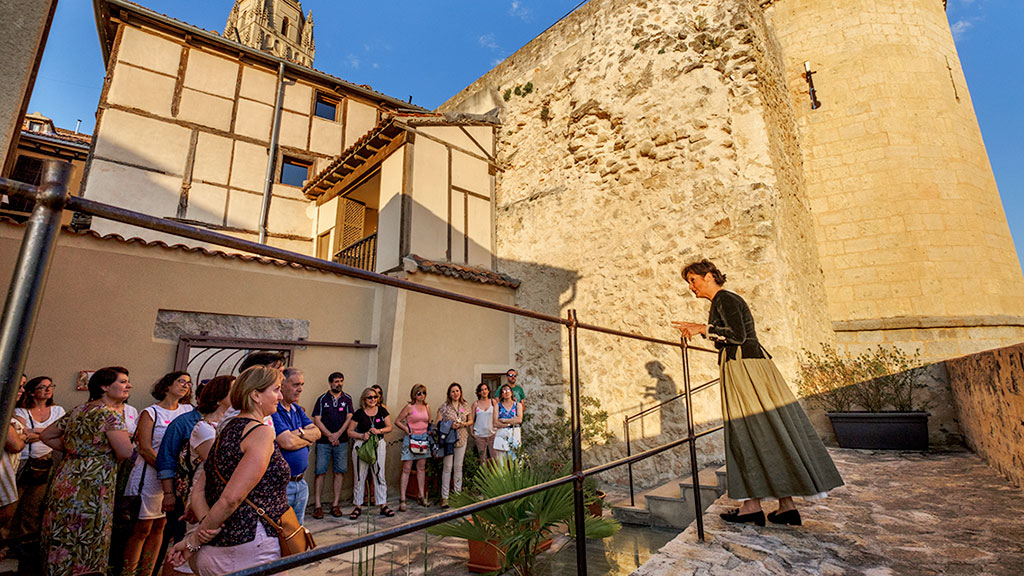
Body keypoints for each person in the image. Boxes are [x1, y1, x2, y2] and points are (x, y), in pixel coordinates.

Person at [672, 259, 845, 527]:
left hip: (745, 370)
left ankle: (752, 507)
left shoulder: (724, 299)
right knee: (766, 431)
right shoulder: (723, 301)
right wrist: (705, 330)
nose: (691, 287)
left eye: (693, 280)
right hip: (751, 368)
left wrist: (702, 328)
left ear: (709, 276)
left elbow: (737, 335)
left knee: (748, 431)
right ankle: (782, 506)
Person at [166, 366, 288, 574]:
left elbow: (199, 489)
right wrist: (195, 539)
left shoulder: (226, 429)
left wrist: (207, 527)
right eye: (276, 389)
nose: (280, 396)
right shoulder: (261, 432)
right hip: (248, 543)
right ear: (256, 395)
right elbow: (231, 498)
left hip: (218, 544)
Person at [40, 367, 135, 576]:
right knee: (88, 531)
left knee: (63, 530)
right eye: (122, 382)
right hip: (93, 483)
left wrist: (76, 449)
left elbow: (47, 436)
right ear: (104, 386)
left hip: (66, 478)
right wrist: (97, 454)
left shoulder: (78, 410)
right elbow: (126, 451)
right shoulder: (110, 415)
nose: (128, 386)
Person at [122, 371, 194, 576]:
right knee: (142, 529)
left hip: (173, 479)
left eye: (188, 384)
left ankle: (148, 571)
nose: (185, 386)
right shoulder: (151, 412)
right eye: (181, 382)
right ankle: (129, 572)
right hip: (150, 476)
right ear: (167, 385)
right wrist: (167, 471)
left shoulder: (188, 411)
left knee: (161, 527)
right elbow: (144, 448)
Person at [171, 375, 233, 575]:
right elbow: (220, 465)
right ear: (219, 397)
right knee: (194, 547)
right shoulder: (204, 428)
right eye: (234, 389)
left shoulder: (231, 425)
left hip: (223, 491)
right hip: (204, 491)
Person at [9, 376, 65, 549]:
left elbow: (63, 433)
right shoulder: (21, 412)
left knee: (34, 504)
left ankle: (23, 543)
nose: (48, 390)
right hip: (22, 460)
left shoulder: (57, 411)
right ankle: (4, 543)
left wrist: (34, 433)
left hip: (44, 461)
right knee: (11, 502)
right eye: (43, 387)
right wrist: (47, 434)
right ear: (32, 392)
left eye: (50, 386)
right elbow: (20, 436)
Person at [270, 367, 320, 524]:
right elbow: (286, 442)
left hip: (301, 484)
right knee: (280, 533)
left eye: (302, 385)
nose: (300, 389)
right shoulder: (273, 410)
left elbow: (317, 433)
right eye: (295, 385)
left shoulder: (297, 409)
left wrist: (296, 433)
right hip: (282, 486)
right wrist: (305, 435)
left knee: (297, 534)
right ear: (282, 385)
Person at [311, 371, 353, 519]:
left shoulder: (347, 399)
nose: (339, 384)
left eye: (341, 381)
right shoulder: (322, 399)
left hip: (341, 442)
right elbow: (317, 419)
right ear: (330, 383)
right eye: (336, 381)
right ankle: (317, 505)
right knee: (320, 472)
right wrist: (329, 435)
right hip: (323, 442)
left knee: (339, 472)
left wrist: (337, 434)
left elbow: (349, 418)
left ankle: (335, 504)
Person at [347, 387, 393, 520]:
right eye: (370, 397)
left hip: (378, 444)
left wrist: (379, 431)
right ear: (364, 399)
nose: (373, 399)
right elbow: (350, 431)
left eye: (375, 397)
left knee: (379, 474)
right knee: (360, 475)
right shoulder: (359, 413)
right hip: (362, 446)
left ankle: (382, 504)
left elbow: (389, 427)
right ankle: (358, 505)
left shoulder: (382, 411)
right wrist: (362, 435)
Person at [0, 381, 27, 559]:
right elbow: (15, 444)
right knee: (7, 507)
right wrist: (24, 436)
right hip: (2, 466)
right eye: (19, 384)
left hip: (8, 465)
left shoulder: (11, 411)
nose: (22, 390)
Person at [395, 383, 431, 511]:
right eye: (419, 393)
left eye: (424, 393)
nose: (421, 396)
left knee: (421, 467)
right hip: (411, 439)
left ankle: (421, 495)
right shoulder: (409, 407)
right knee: (407, 468)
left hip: (423, 439)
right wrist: (406, 428)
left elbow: (428, 422)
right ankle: (403, 498)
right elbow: (397, 420)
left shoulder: (427, 407)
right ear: (414, 394)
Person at [437, 382, 472, 509]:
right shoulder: (444, 407)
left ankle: (457, 495)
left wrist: (464, 424)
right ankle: (445, 497)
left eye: (457, 391)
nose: (455, 393)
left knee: (458, 467)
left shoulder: (465, 406)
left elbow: (471, 420)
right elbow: (437, 423)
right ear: (449, 394)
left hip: (462, 438)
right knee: (447, 467)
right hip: (449, 440)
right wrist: (449, 425)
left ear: (460, 392)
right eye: (453, 391)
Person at [492, 383, 523, 461]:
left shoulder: (518, 405)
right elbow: (495, 423)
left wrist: (504, 420)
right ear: (501, 394)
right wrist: (512, 421)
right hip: (501, 433)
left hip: (514, 433)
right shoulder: (498, 406)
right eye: (504, 391)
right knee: (501, 462)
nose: (506, 392)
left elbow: (519, 420)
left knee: (515, 461)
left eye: (508, 390)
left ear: (511, 392)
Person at [471, 382, 497, 464]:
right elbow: (471, 418)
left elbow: (498, 417)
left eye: (486, 389)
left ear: (489, 391)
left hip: (492, 434)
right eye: (482, 390)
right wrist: (472, 432)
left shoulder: (493, 402)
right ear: (479, 392)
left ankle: (496, 476)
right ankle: (485, 476)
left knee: (495, 458)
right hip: (479, 435)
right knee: (483, 459)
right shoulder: (475, 404)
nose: (484, 391)